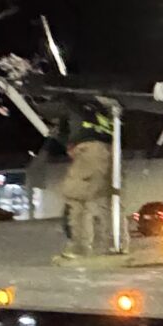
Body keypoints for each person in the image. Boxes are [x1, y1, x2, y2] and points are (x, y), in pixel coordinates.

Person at [55, 97, 116, 259]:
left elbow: (62, 129)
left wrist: (68, 142)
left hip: (89, 149)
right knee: (108, 199)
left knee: (77, 197)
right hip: (112, 150)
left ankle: (79, 247)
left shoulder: (71, 102)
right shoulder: (105, 105)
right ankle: (115, 243)